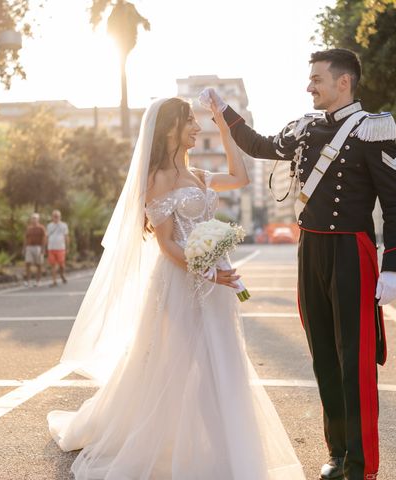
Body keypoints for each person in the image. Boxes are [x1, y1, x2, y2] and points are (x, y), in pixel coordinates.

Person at [47, 97, 305, 480]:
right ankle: (166, 442)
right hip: (179, 286)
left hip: (215, 283)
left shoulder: (199, 175)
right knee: (176, 365)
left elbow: (241, 177)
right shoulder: (156, 179)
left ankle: (226, 450)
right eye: (191, 122)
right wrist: (207, 271)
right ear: (170, 128)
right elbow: (167, 245)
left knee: (223, 363)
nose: (197, 128)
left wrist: (224, 125)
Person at [201, 48, 396, 480]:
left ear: (343, 82)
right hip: (310, 248)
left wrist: (393, 265)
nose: (309, 86)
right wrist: (225, 112)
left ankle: (361, 465)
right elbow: (259, 146)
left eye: (316, 78)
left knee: (354, 359)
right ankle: (337, 455)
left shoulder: (373, 130)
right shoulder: (306, 127)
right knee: (323, 358)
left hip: (352, 251)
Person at [46, 209, 69, 287]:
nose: (56, 217)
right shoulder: (49, 226)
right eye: (54, 216)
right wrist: (46, 246)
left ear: (60, 216)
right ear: (52, 217)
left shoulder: (64, 225)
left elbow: (66, 236)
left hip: (61, 248)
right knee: (53, 265)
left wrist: (67, 247)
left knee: (61, 265)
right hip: (51, 248)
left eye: (57, 216)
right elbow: (47, 236)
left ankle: (62, 275)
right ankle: (54, 281)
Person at [23, 213, 46, 287]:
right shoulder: (29, 228)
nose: (34, 220)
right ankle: (28, 281)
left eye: (35, 218)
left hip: (38, 247)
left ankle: (38, 281)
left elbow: (44, 238)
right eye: (33, 218)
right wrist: (24, 248)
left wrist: (43, 248)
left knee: (38, 264)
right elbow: (26, 238)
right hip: (29, 247)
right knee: (28, 263)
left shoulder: (41, 228)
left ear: (38, 219)